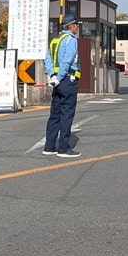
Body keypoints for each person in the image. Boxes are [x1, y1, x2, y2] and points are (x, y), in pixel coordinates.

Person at [43, 14, 82, 158]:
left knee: (55, 114)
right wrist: (59, 78)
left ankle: (49, 146)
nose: (77, 27)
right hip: (67, 80)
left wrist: (52, 75)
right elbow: (67, 61)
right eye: (76, 24)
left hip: (56, 81)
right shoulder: (70, 40)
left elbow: (47, 59)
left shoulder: (55, 40)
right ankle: (64, 148)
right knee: (67, 113)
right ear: (70, 26)